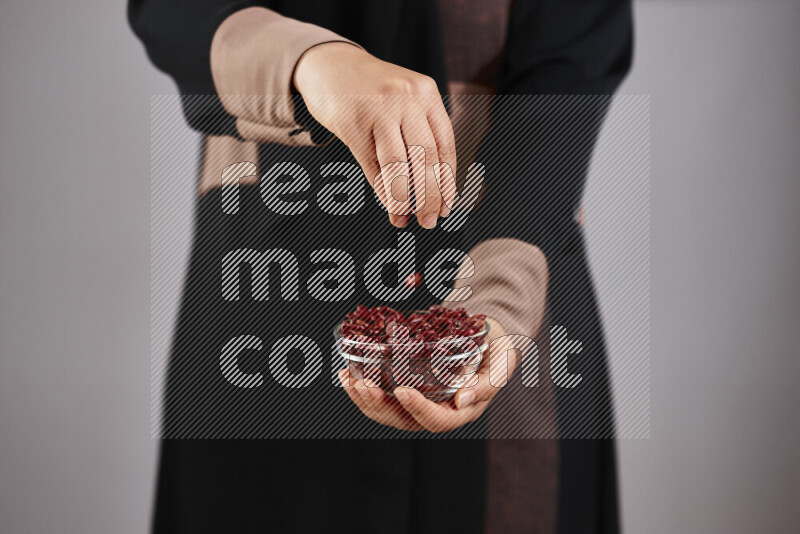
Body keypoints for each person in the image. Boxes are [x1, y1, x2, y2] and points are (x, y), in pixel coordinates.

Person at [130, 1, 632, 532]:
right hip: (265, 286)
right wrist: (312, 62)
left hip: (512, 277)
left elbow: (567, 73)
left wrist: (498, 305)